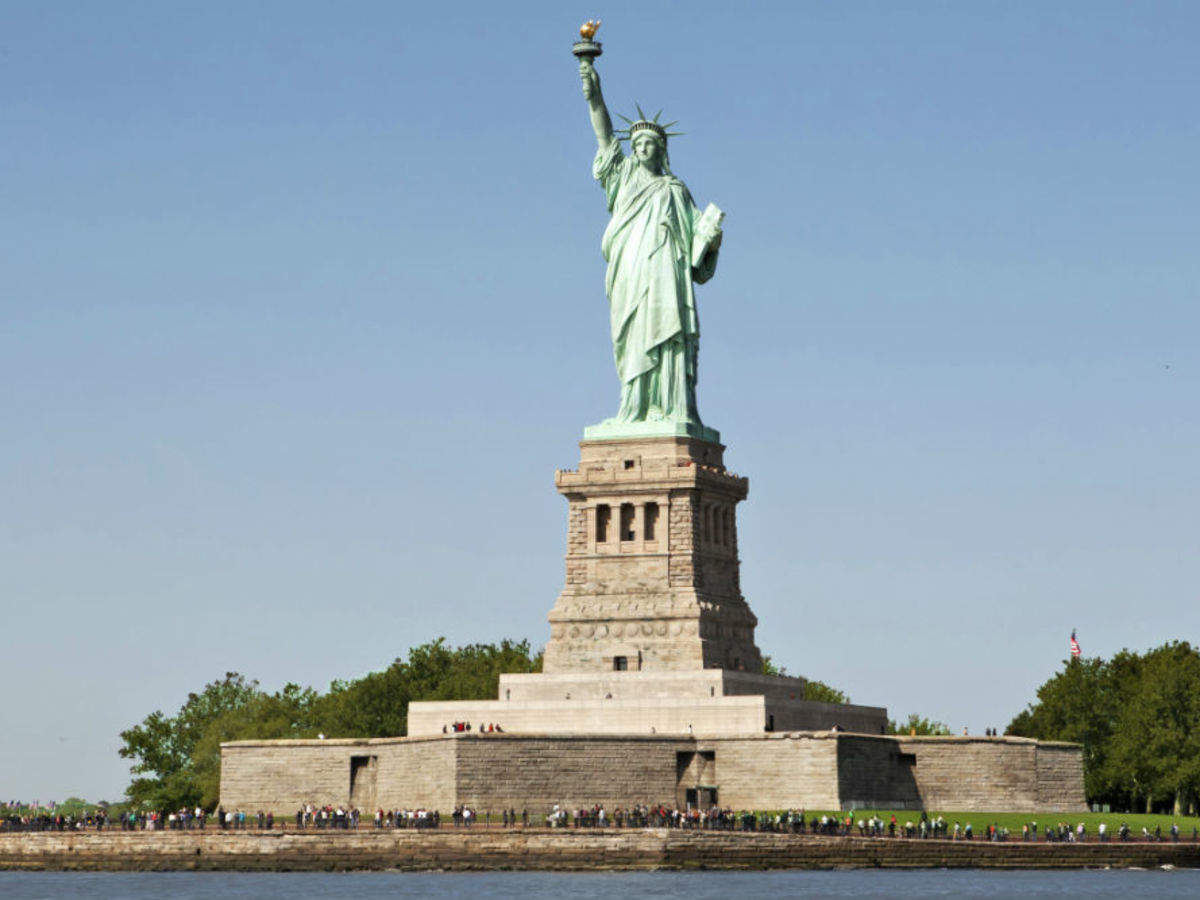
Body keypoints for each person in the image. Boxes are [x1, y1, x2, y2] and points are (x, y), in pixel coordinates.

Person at [577, 56, 722, 429]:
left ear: (662, 150)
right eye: (637, 143)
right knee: (632, 335)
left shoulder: (675, 189)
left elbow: (696, 247)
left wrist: (710, 238)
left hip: (665, 275)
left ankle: (670, 407)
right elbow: (605, 135)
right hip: (630, 269)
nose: (641, 148)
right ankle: (634, 406)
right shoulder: (622, 177)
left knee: (668, 333)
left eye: (649, 143)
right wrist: (594, 94)